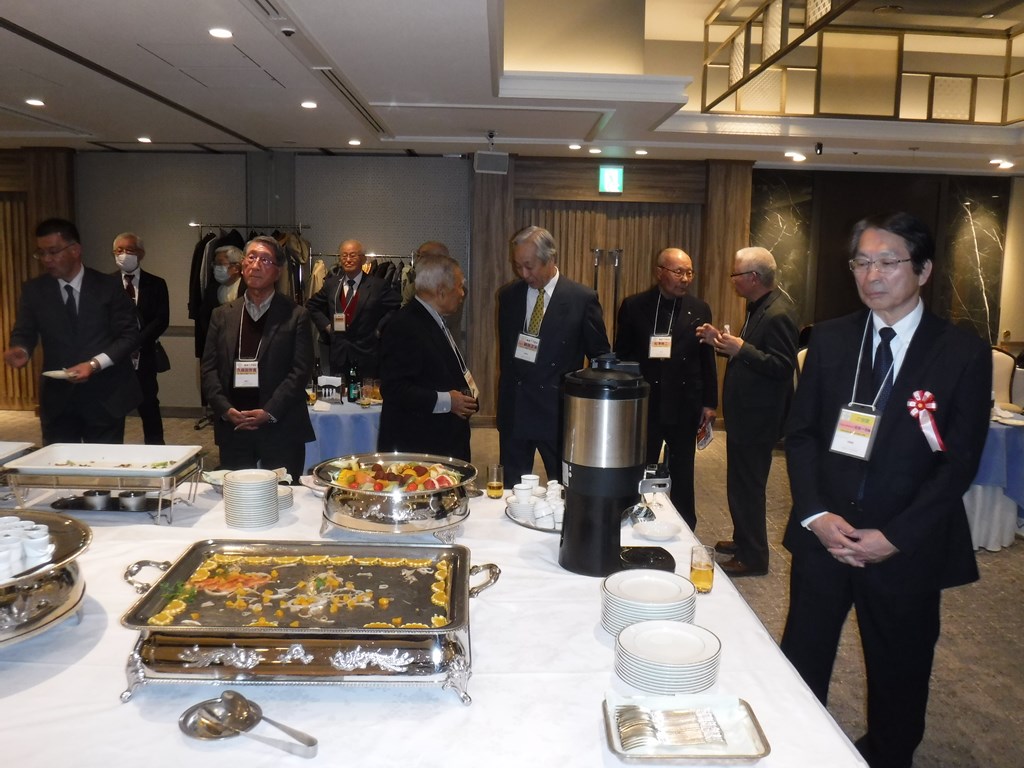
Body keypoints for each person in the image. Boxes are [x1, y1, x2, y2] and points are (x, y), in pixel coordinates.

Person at [779, 213, 990, 768]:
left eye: (888, 261)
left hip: (905, 548)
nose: (872, 275)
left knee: (900, 673)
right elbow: (801, 436)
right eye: (862, 262)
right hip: (825, 538)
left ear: (923, 270)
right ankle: (800, 751)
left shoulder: (962, 353)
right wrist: (815, 515)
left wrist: (894, 536)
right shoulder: (828, 339)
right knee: (801, 660)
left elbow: (958, 463)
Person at [696, 246, 798, 576]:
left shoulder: (778, 313)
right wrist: (721, 342)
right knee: (739, 484)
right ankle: (743, 540)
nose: (733, 280)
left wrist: (742, 349)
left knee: (749, 488)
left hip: (759, 418)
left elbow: (782, 366)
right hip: (747, 415)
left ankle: (754, 557)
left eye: (736, 274)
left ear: (753, 277)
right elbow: (753, 354)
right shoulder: (761, 307)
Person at [4, 218, 141, 444]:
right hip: (58, 400)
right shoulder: (35, 290)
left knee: (103, 462)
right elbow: (24, 331)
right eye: (41, 253)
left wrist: (94, 364)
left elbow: (129, 336)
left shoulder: (108, 286)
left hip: (105, 396)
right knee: (58, 461)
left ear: (75, 250)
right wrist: (21, 349)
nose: (47, 259)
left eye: (53, 252)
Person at [497, 225, 610, 486]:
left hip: (557, 413)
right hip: (516, 410)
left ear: (550, 259)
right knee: (513, 490)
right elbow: (507, 356)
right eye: (518, 266)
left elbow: (599, 356)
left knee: (563, 489)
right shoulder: (509, 296)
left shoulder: (581, 299)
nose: (524, 274)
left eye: (529, 266)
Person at [614, 248, 718, 531]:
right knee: (641, 463)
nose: (685, 279)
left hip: (685, 401)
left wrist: (710, 402)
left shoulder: (700, 308)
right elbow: (623, 356)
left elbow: (706, 358)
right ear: (659, 272)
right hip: (647, 402)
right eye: (678, 272)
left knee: (683, 468)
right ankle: (636, 516)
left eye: (689, 272)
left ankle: (685, 525)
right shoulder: (634, 306)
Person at [200, 236, 314, 480]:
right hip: (235, 426)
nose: (256, 265)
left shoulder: (296, 315)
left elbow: (300, 371)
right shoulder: (222, 315)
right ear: (242, 266)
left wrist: (269, 412)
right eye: (251, 257)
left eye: (265, 260)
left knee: (285, 494)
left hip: (280, 426)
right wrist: (225, 409)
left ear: (278, 271)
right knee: (237, 496)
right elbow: (208, 369)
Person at [377, 250, 478, 461]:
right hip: (419, 450)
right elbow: (394, 388)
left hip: (440, 443)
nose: (462, 293)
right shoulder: (405, 325)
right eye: (459, 286)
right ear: (441, 291)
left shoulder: (432, 319)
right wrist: (448, 401)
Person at [306, 239, 400, 377]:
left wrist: (379, 329)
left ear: (363, 259)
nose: (348, 260)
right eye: (344, 256)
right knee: (339, 390)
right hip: (339, 354)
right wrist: (327, 326)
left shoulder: (377, 285)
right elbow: (312, 305)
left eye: (353, 255)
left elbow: (395, 306)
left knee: (367, 391)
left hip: (367, 355)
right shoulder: (331, 284)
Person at [112, 232, 169, 445]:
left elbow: (161, 319)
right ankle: (111, 450)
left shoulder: (156, 284)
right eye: (119, 250)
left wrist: (136, 341)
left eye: (129, 250)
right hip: (115, 357)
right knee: (113, 407)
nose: (124, 254)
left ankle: (156, 449)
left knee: (149, 405)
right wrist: (121, 346)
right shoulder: (105, 284)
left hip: (144, 355)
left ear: (141, 253)